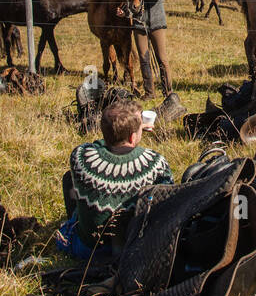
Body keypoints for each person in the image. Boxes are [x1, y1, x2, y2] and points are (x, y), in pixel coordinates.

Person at [57, 98, 173, 260]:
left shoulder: (81, 157)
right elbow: (167, 197)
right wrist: (133, 133)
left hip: (87, 250)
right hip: (134, 249)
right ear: (133, 137)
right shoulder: (155, 162)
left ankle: (75, 225)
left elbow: (98, 145)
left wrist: (120, 133)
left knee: (70, 180)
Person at [131, 0, 173, 96]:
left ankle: (168, 91)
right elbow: (132, 1)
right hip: (139, 25)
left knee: (162, 59)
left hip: (156, 24)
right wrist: (124, 12)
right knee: (144, 59)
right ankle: (149, 93)